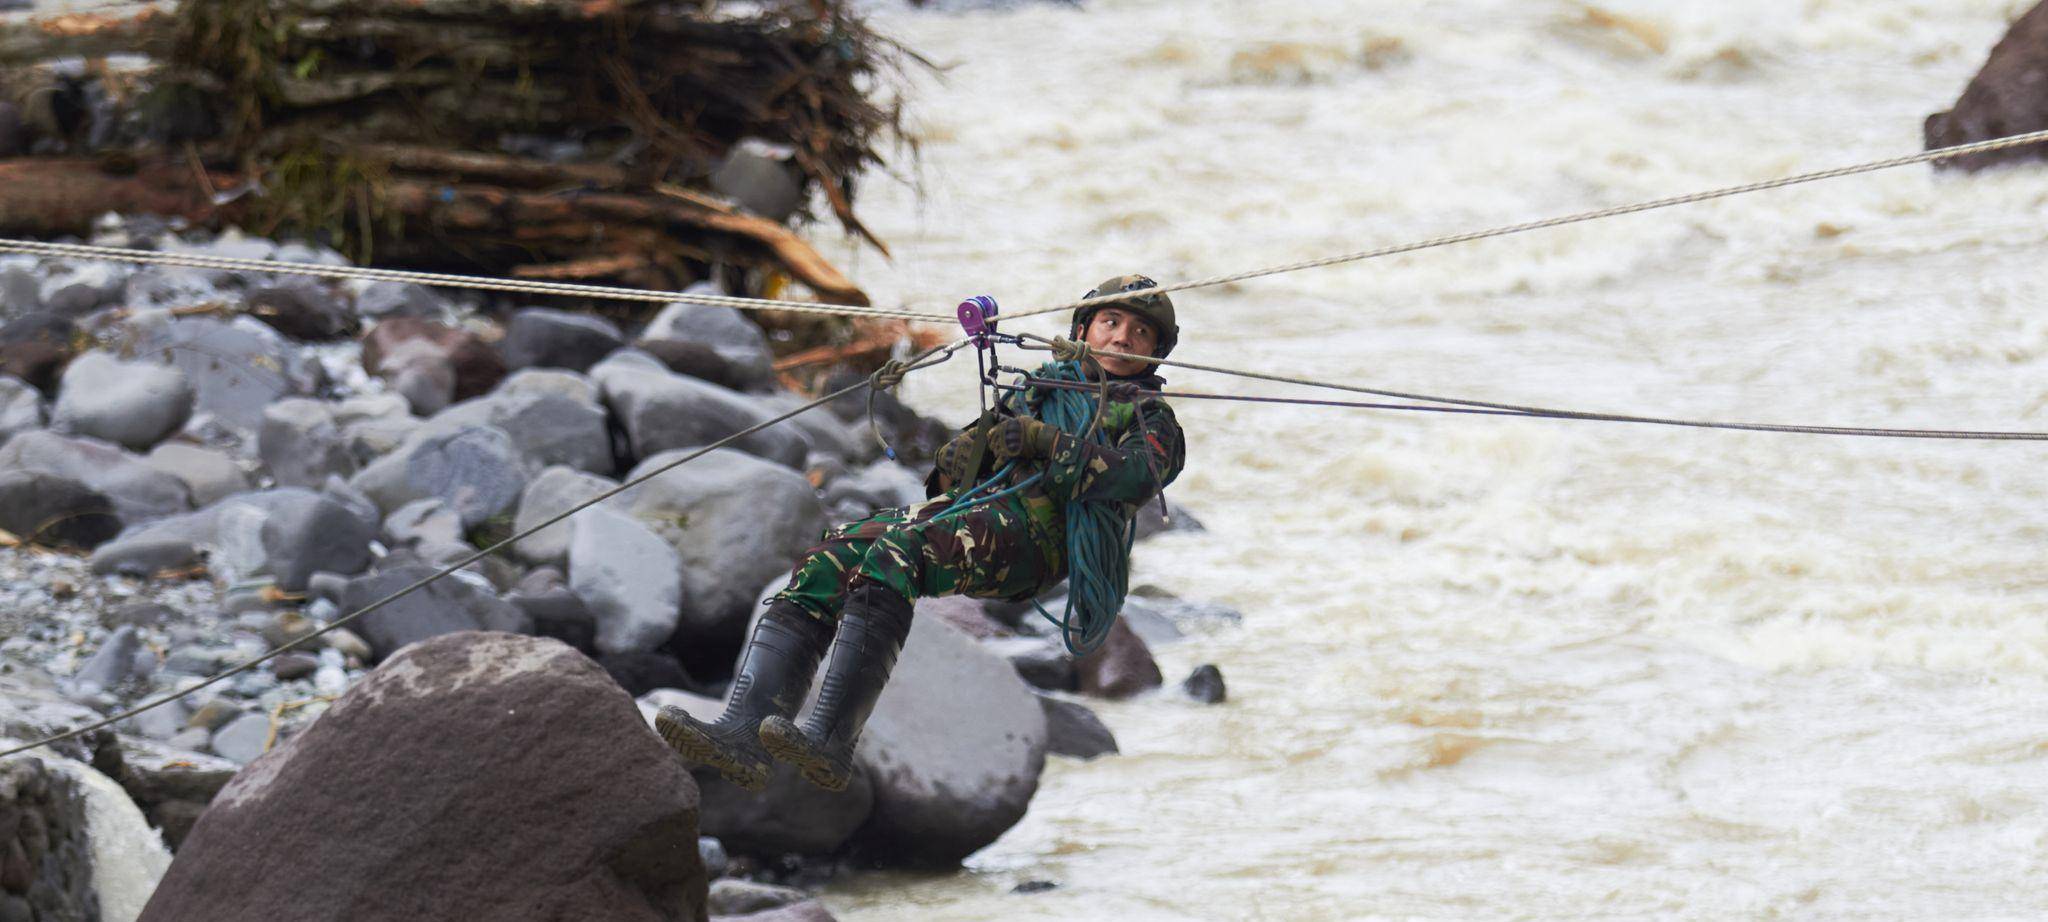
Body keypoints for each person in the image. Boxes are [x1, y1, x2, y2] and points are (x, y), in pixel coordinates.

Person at [656, 275, 1188, 792]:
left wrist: (1045, 442)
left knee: (898, 553)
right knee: (832, 552)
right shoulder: (1037, 392)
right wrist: (961, 456)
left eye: (1140, 332)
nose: (1121, 336)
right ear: (1083, 330)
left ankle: (831, 740)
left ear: (1155, 352)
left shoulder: (1150, 419)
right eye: (1110, 322)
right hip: (982, 518)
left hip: (1038, 547)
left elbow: (1133, 476)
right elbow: (957, 476)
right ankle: (743, 732)